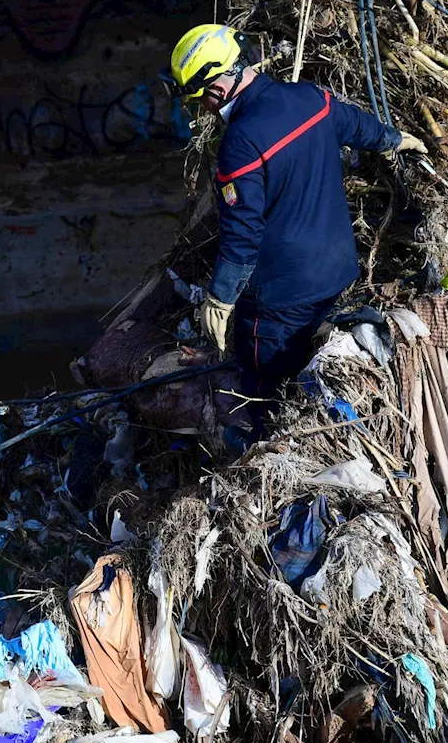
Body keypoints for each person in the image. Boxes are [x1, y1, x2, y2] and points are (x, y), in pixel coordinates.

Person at [164, 24, 428, 441]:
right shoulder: (309, 98)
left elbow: (242, 232)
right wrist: (396, 139)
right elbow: (358, 126)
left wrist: (220, 299)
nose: (204, 109)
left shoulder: (241, 142)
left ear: (215, 87)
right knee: (309, 363)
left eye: (199, 99)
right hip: (338, 274)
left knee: (260, 394)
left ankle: (263, 456)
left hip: (280, 300)